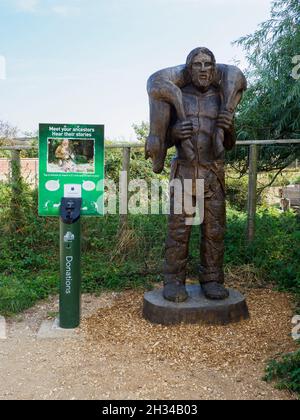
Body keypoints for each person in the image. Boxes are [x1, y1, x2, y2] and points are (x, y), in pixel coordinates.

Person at [161, 47, 242, 302]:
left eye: (208, 64)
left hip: (212, 173)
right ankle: (174, 282)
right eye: (198, 64)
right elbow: (160, 141)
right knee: (179, 231)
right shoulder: (175, 96)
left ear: (214, 68)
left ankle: (212, 280)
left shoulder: (222, 97)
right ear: (189, 68)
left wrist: (229, 129)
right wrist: (174, 133)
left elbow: (229, 144)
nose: (203, 69)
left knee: (214, 231)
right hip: (185, 172)